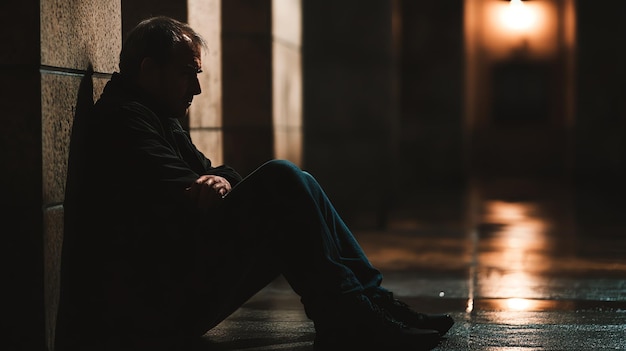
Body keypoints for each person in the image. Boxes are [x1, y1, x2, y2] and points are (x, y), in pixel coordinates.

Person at [55, 16, 454, 351]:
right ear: (147, 70)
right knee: (282, 178)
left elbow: (218, 174)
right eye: (186, 74)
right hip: (152, 307)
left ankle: (371, 303)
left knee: (302, 181)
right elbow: (191, 191)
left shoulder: (154, 115)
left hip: (173, 279)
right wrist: (215, 183)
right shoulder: (124, 121)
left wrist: (219, 182)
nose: (195, 89)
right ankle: (350, 316)